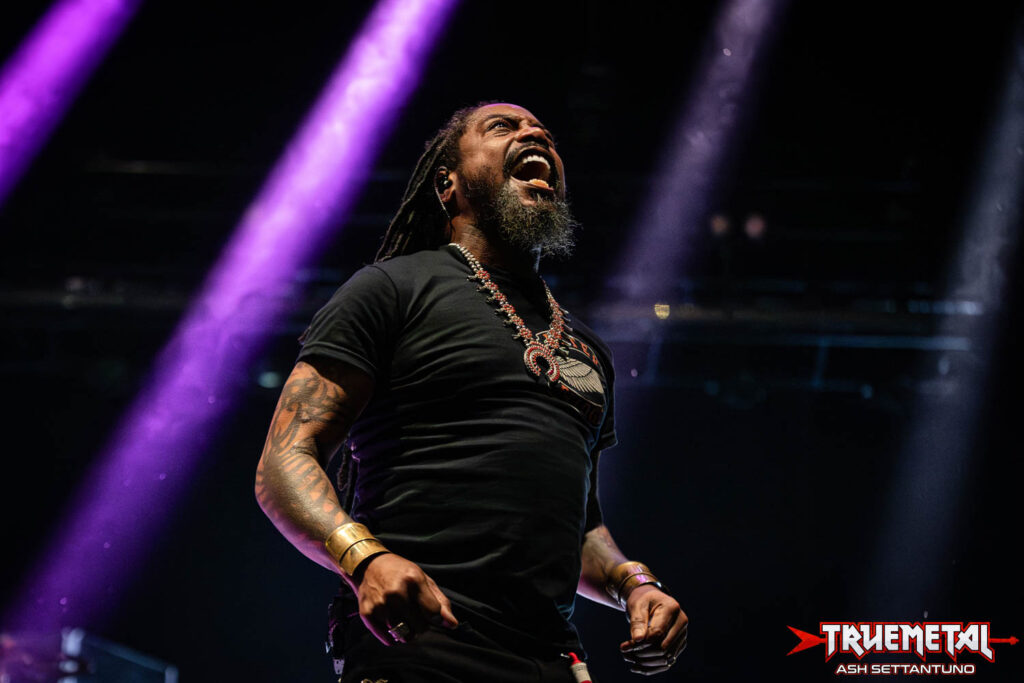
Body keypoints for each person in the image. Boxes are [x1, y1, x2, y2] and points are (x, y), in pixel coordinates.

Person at [255, 102, 687, 682]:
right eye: (503, 127)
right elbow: (285, 457)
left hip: (551, 658)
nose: (535, 134)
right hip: (422, 636)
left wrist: (634, 584)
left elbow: (580, 526)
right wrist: (365, 559)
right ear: (447, 184)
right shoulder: (392, 288)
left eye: (545, 133)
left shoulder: (587, 349)